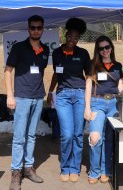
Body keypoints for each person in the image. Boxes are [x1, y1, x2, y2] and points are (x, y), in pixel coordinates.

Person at [5, 15, 49, 190]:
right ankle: (16, 172)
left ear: (43, 29)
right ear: (28, 28)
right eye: (33, 27)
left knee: (31, 136)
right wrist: (10, 95)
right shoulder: (18, 48)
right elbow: (8, 71)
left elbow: (40, 72)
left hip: (38, 97)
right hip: (21, 98)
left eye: (39, 28)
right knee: (19, 137)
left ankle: (28, 168)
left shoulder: (45, 49)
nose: (36, 30)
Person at [47, 17, 90, 182]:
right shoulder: (57, 53)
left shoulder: (83, 54)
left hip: (80, 94)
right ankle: (65, 167)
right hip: (63, 95)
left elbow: (88, 77)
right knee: (67, 134)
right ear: (66, 35)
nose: (72, 39)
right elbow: (57, 74)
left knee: (78, 134)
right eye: (70, 36)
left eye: (76, 37)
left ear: (79, 39)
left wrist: (89, 96)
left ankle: (74, 167)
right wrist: (50, 91)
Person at [84, 36, 123, 184]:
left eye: (107, 47)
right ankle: (94, 171)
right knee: (95, 137)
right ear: (97, 50)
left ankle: (105, 170)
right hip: (97, 103)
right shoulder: (92, 64)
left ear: (111, 48)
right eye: (101, 48)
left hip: (113, 104)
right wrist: (87, 108)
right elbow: (88, 86)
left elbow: (119, 85)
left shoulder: (118, 65)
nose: (105, 51)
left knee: (109, 138)